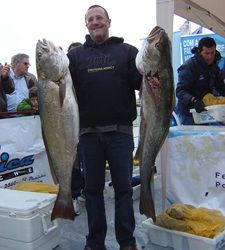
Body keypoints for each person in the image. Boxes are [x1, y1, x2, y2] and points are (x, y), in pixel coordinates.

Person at [67, 5, 142, 250]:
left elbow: (144, 83)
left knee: (123, 189)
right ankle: (95, 242)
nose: (95, 22)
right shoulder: (75, 57)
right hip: (88, 134)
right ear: (86, 25)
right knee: (92, 191)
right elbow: (60, 88)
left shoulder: (128, 51)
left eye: (99, 17)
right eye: (90, 19)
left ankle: (126, 241)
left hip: (120, 132)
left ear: (109, 21)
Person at [176, 37, 225, 125]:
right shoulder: (190, 66)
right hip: (188, 112)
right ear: (199, 51)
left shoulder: (214, 66)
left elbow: (220, 86)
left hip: (206, 110)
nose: (210, 56)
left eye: (212, 53)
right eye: (206, 53)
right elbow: (180, 91)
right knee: (192, 138)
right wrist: (194, 100)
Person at [67, 41, 84, 216]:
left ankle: (84, 191)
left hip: (87, 125)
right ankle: (73, 196)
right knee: (73, 161)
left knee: (86, 161)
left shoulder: (86, 72)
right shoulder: (65, 76)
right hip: (71, 126)